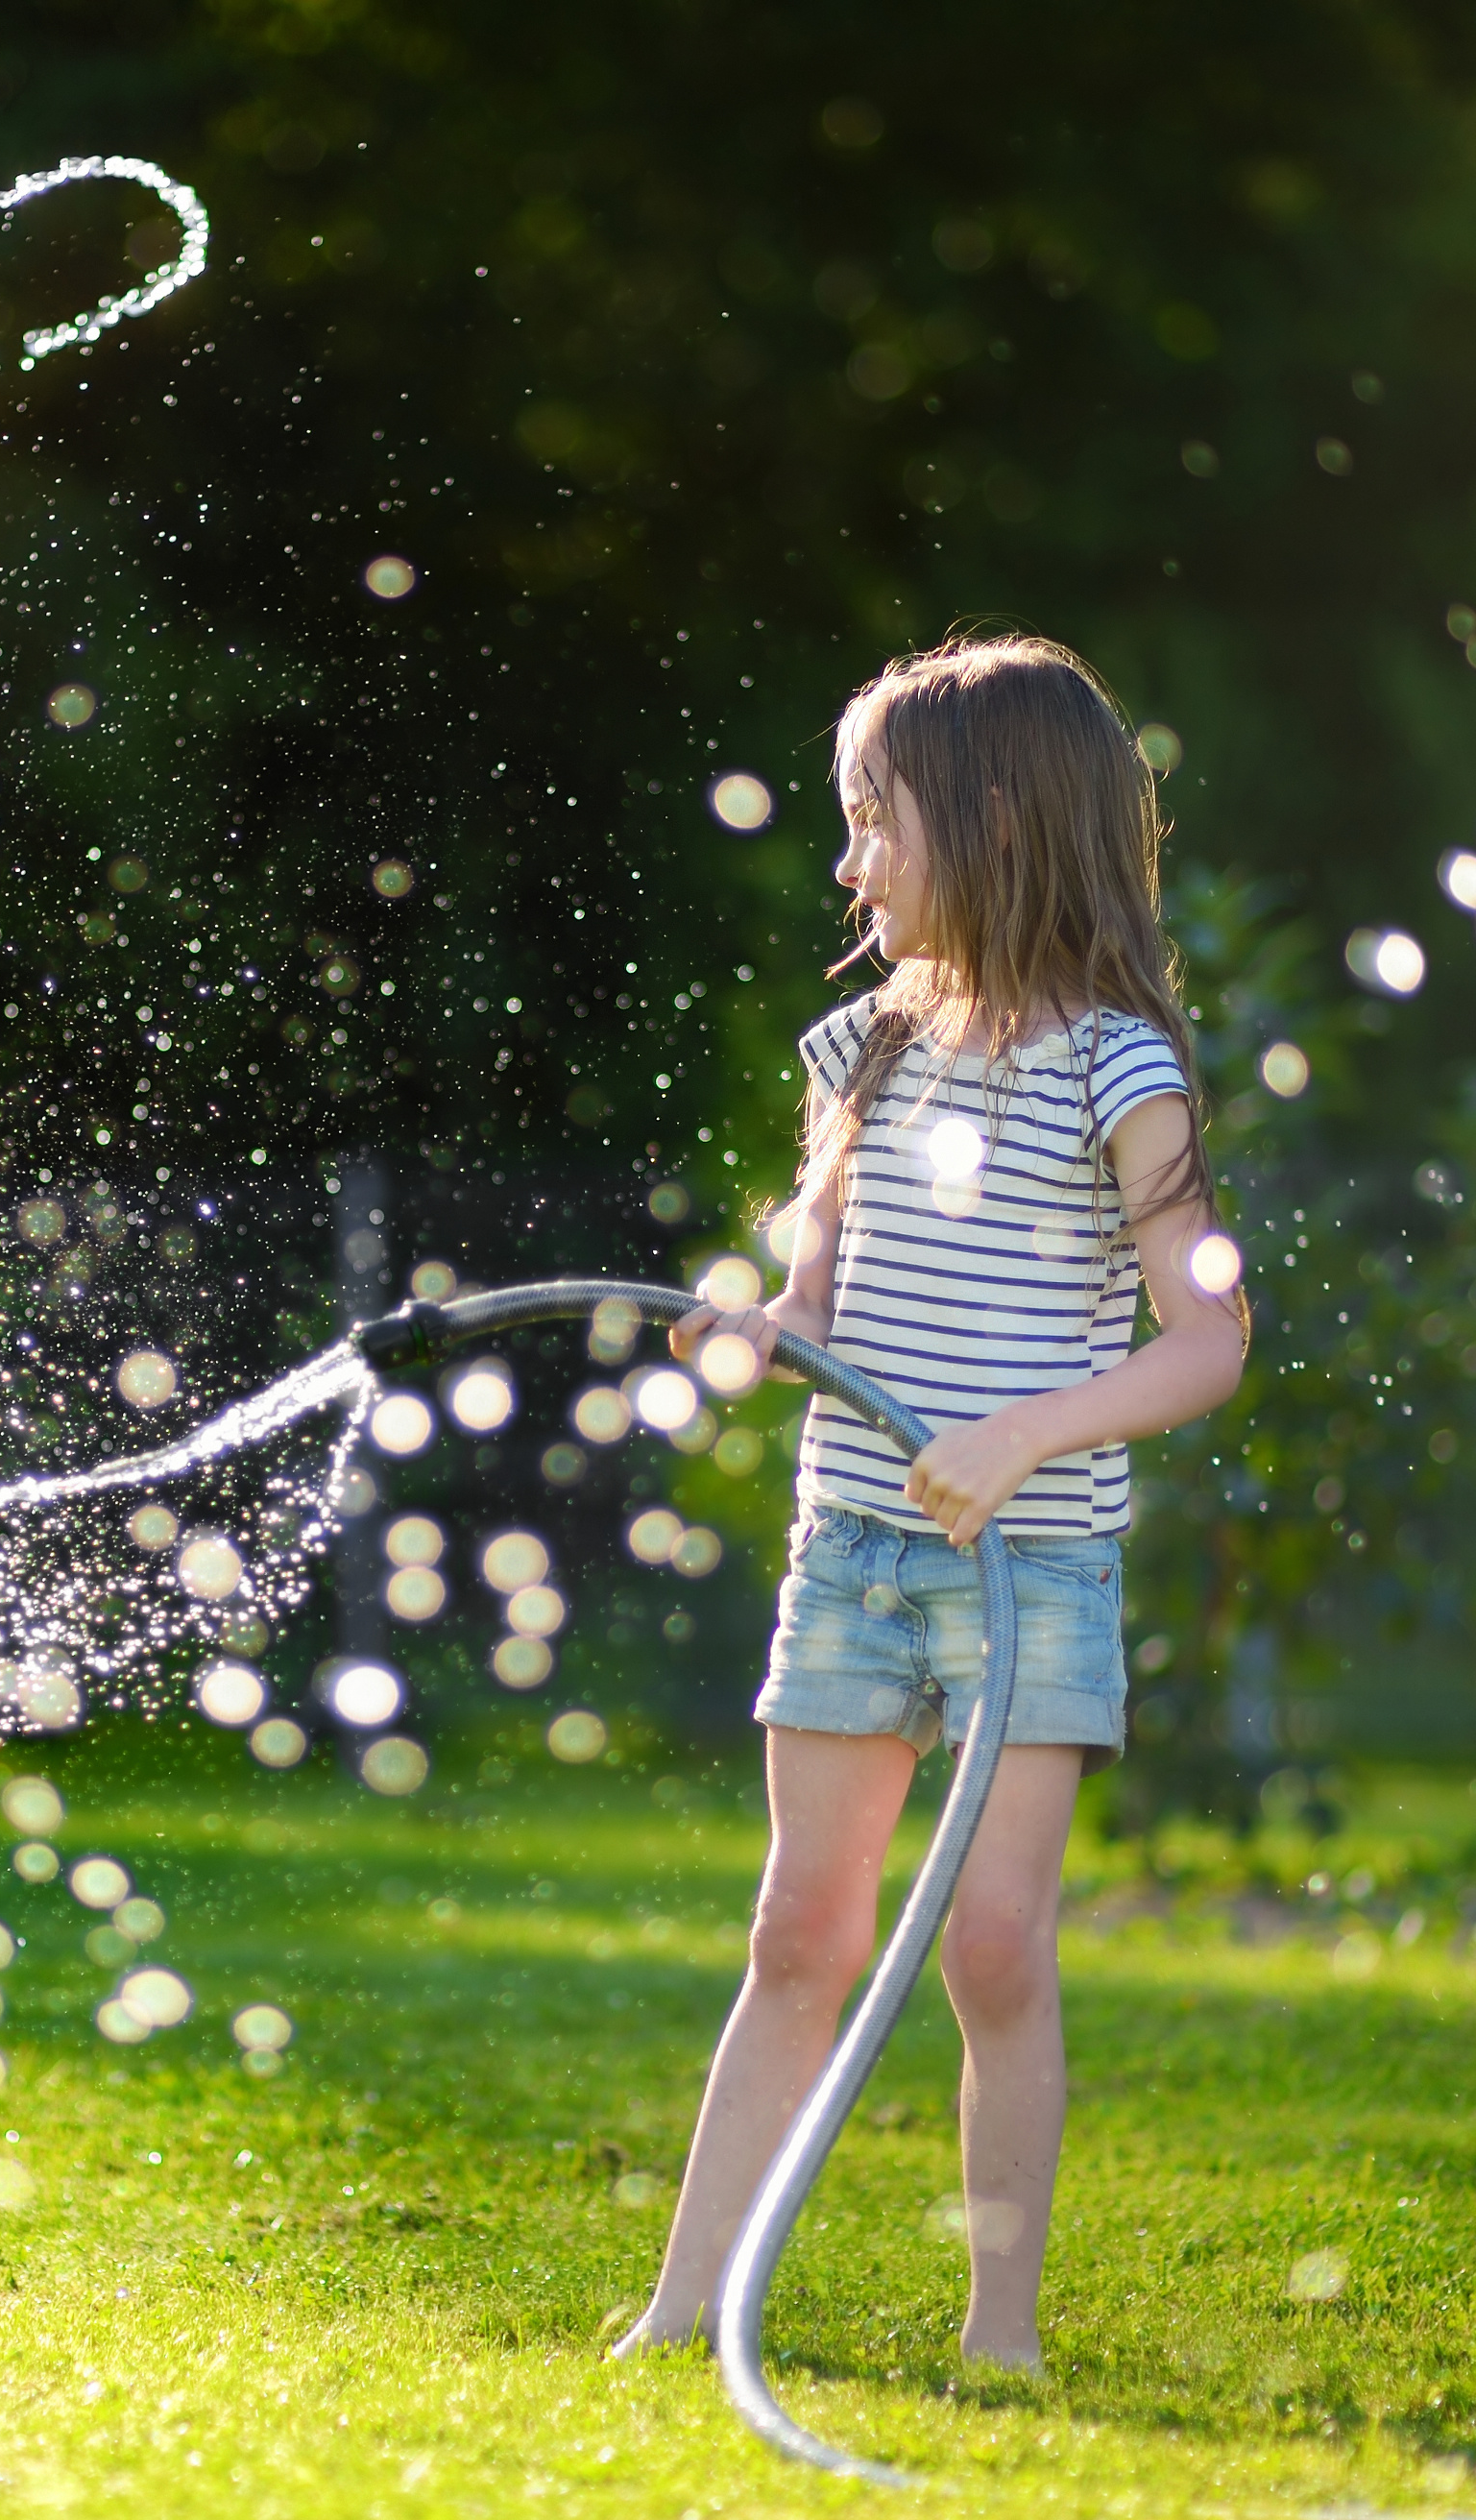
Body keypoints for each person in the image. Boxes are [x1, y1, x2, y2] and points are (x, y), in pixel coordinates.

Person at [616, 636, 1248, 2375]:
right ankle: (682, 2309)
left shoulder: (1123, 1070)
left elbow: (1206, 1339)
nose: (847, 864)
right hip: (854, 1552)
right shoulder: (861, 1051)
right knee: (799, 1931)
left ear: (984, 823)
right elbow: (814, 1298)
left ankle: (1001, 2334)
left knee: (988, 1949)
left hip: (1031, 1567)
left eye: (870, 822)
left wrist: (1030, 1434)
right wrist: (750, 1336)